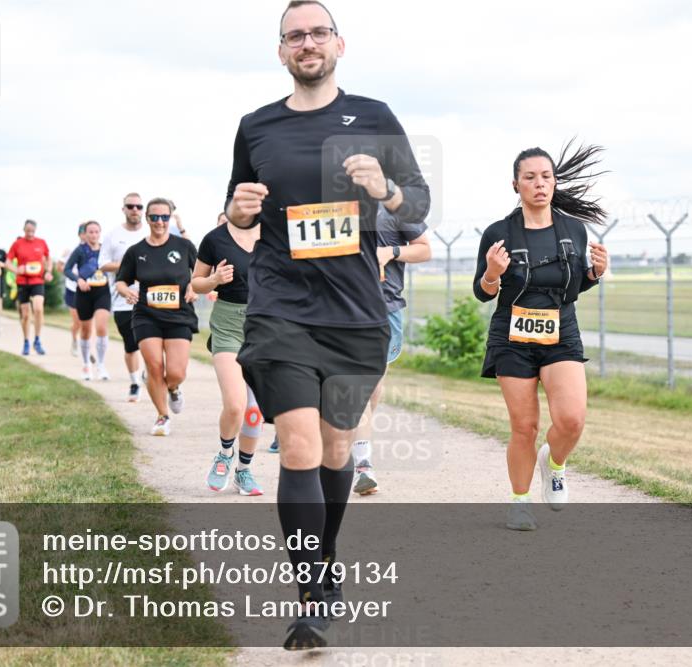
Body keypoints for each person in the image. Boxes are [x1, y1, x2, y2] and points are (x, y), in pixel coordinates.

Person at [224, 0, 430, 649]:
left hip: (354, 313)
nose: (306, 43)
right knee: (301, 447)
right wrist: (238, 207)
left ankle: (325, 557)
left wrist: (386, 191)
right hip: (281, 306)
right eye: (294, 36)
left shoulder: (373, 117)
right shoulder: (256, 127)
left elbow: (418, 202)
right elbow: (237, 212)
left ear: (339, 44)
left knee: (338, 450)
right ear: (281, 51)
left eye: (317, 33)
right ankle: (312, 595)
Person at [473, 144, 609, 532]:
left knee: (571, 420)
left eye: (546, 176)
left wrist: (595, 273)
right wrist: (492, 273)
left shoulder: (573, 230)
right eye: (530, 177)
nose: (539, 184)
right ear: (515, 184)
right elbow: (482, 292)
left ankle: (555, 464)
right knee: (525, 426)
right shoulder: (498, 233)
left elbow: (572, 286)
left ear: (554, 181)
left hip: (561, 329)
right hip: (512, 334)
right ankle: (520, 502)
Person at [350, 204, 432, 495]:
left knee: (371, 390)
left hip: (386, 309)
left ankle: (353, 436)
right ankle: (363, 465)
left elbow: (424, 249)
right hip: (344, 308)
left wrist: (392, 252)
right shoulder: (332, 206)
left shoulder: (396, 207)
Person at [191, 213, 264, 496]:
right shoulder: (215, 239)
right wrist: (214, 279)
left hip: (264, 326)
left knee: (255, 411)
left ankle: (244, 471)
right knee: (236, 404)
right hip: (228, 325)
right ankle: (224, 454)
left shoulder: (272, 236)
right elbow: (196, 283)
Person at [115, 198, 199, 436]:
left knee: (176, 372)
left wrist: (194, 288)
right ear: (147, 219)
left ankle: (173, 388)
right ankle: (162, 416)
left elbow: (202, 273)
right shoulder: (136, 251)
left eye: (164, 217)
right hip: (146, 315)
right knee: (154, 366)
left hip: (179, 315)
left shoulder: (184, 246)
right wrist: (126, 291)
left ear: (170, 217)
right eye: (154, 217)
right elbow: (121, 280)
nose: (160, 222)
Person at [99, 192, 147, 402]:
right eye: (130, 206)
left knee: (152, 341)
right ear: (124, 209)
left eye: (138, 206)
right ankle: (135, 381)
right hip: (122, 300)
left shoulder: (148, 233)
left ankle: (149, 373)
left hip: (149, 298)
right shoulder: (112, 235)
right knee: (131, 345)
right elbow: (103, 264)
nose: (134, 210)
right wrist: (127, 266)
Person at [64, 221, 112, 381]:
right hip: (84, 293)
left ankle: (101, 364)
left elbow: (114, 265)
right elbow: (67, 269)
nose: (93, 235)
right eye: (90, 232)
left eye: (96, 232)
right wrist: (78, 280)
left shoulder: (105, 249)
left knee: (101, 327)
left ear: (100, 233)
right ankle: (86, 364)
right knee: (85, 331)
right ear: (85, 234)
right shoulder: (80, 250)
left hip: (102, 292)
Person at [5, 219, 52, 355]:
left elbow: (48, 258)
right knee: (25, 315)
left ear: (35, 230)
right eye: (28, 231)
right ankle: (26, 342)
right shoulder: (17, 244)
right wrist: (15, 270)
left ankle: (37, 340)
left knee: (38, 308)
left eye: (32, 231)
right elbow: (7, 263)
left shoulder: (41, 242)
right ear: (24, 230)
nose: (30, 233)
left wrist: (48, 271)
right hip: (22, 282)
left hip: (37, 281)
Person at [58, 224, 88, 356]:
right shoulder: (71, 249)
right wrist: (73, 275)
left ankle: (85, 346)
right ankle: (75, 341)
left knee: (86, 322)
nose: (87, 235)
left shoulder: (96, 249)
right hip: (72, 289)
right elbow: (59, 267)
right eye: (84, 232)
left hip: (87, 289)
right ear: (80, 234)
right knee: (77, 321)